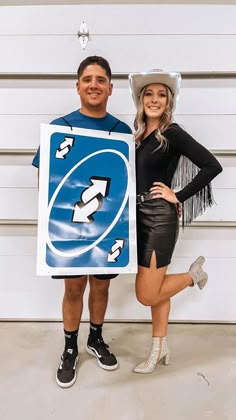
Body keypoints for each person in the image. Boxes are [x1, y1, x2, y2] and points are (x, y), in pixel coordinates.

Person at [32, 56, 132, 387]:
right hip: (71, 227)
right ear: (77, 86)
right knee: (74, 287)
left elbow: (126, 180)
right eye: (87, 79)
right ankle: (71, 346)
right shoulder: (60, 128)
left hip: (106, 227)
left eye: (100, 79)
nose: (94, 84)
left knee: (101, 286)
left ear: (110, 88)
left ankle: (96, 338)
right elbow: (45, 179)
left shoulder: (122, 132)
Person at [128, 70, 222, 374]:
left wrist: (178, 195)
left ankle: (193, 276)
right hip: (137, 216)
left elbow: (212, 165)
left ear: (169, 101)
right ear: (140, 100)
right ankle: (159, 347)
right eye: (149, 94)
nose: (155, 99)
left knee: (146, 294)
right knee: (157, 292)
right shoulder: (139, 135)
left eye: (162, 94)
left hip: (159, 219)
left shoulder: (173, 132)